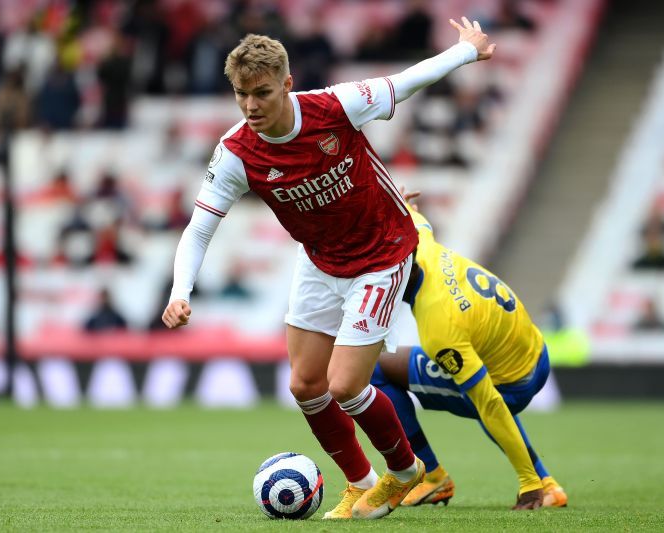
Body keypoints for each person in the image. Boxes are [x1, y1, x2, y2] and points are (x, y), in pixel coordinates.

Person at [162, 19, 496, 519]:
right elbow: (200, 227)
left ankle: (406, 473)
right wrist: (179, 290)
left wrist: (465, 51)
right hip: (320, 260)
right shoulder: (235, 152)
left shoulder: (335, 105)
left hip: (382, 254)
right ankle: (360, 482)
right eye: (240, 94)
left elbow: (406, 82)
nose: (251, 106)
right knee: (305, 385)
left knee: (344, 385)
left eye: (262, 93)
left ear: (288, 84)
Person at [370, 195, 567, 510]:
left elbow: (489, 402)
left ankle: (432, 476)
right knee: (472, 378)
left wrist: (528, 484)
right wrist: (399, 203)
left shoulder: (439, 328)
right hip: (534, 352)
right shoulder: (420, 240)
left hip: (511, 385)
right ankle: (549, 484)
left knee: (375, 369)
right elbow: (413, 216)